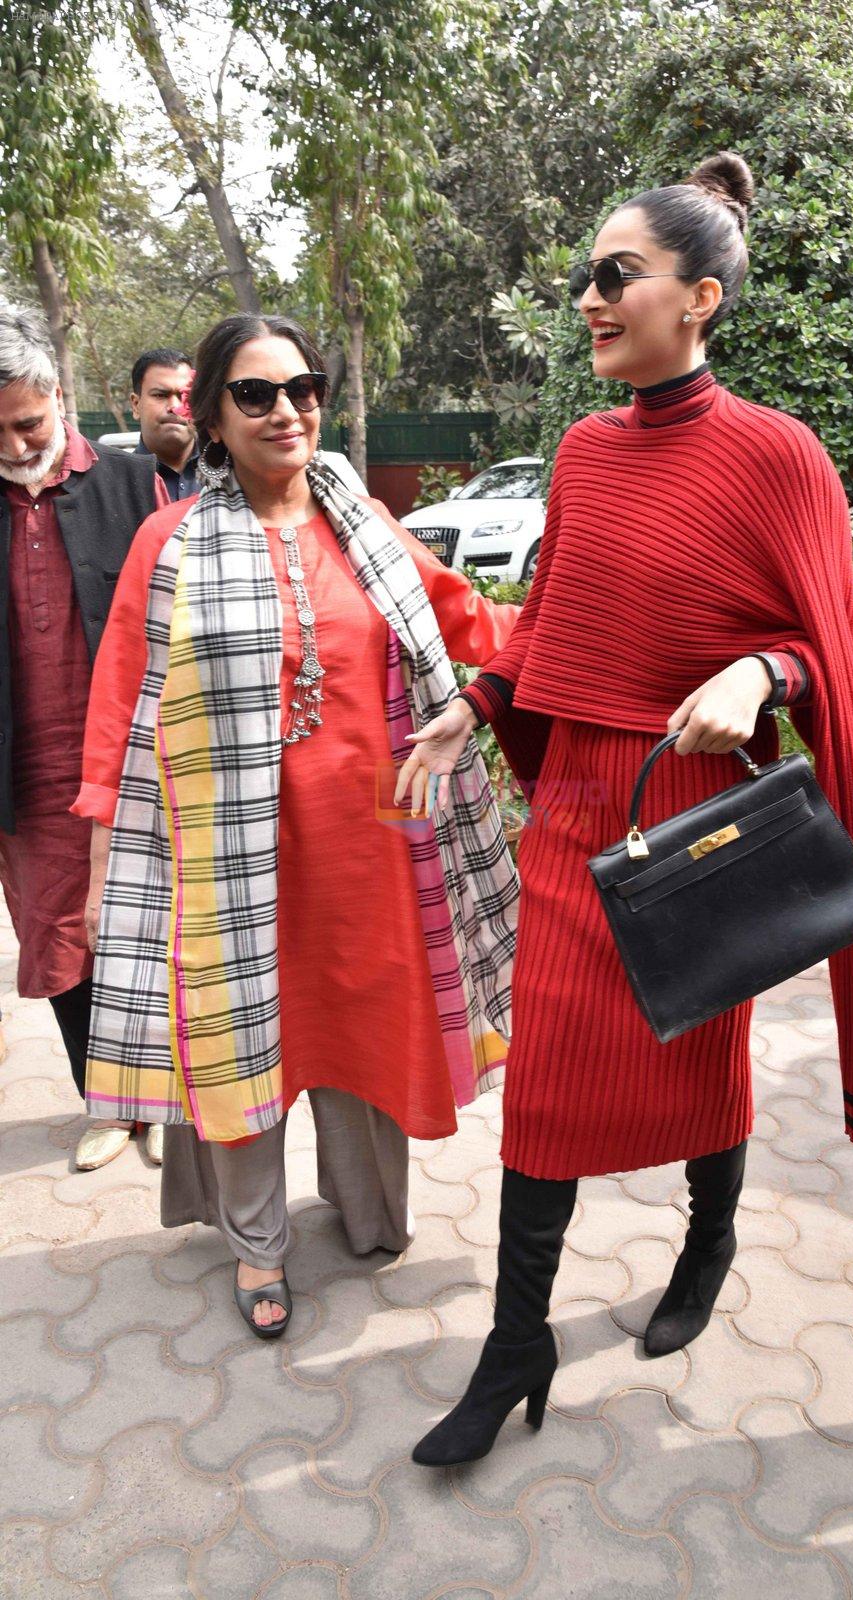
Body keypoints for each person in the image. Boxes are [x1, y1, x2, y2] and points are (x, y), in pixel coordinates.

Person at [398, 152, 853, 1467]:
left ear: (697, 297)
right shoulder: (585, 456)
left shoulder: (780, 457)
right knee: (542, 1089)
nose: (589, 298)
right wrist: (478, 702)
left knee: (698, 1064)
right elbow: (555, 623)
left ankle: (707, 1238)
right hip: (576, 809)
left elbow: (833, 644)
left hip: (694, 810)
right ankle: (515, 1345)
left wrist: (763, 668)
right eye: (585, 278)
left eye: (617, 276)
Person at [73, 313, 519, 1336]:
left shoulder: (365, 526)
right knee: (244, 1044)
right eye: (258, 394)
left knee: (361, 1028)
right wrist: (102, 872)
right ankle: (257, 1247)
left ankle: (367, 1215)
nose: (290, 410)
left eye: (304, 387)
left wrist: (588, 627)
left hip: (370, 848)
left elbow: (469, 624)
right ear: (212, 419)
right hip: (227, 858)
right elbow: (120, 712)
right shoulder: (170, 542)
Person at [0, 304, 166, 1171]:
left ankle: (164, 1094)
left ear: (58, 396)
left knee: (149, 925)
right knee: (58, 938)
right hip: (24, 771)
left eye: (27, 421)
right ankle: (108, 1102)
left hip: (134, 763)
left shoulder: (132, 486)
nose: (16, 442)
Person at [130, 347, 199, 501]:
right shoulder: (117, 483)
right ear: (136, 405)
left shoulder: (233, 472)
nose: (175, 407)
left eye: (184, 396)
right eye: (160, 395)